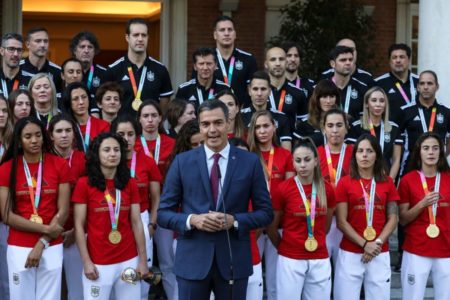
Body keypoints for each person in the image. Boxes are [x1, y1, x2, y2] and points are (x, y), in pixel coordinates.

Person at [157, 99, 273, 299]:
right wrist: (193, 220)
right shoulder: (182, 162)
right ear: (200, 126)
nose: (212, 129)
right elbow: (163, 214)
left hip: (233, 261)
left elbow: (265, 213)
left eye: (218, 123)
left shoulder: (250, 162)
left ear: (228, 123)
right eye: (205, 124)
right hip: (192, 261)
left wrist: (234, 221)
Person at [0, 117, 71, 300]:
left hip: (50, 244)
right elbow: (7, 215)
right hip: (19, 244)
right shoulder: (7, 169)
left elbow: (63, 211)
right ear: (19, 140)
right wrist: (46, 229)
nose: (34, 140)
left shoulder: (60, 164)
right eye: (28, 136)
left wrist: (42, 242)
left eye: (38, 135)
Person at [73, 132, 149, 300]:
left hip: (128, 260)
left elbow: (137, 223)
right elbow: (78, 226)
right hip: (99, 262)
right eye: (106, 150)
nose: (113, 154)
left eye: (116, 150)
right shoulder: (84, 184)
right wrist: (86, 261)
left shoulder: (129, 183)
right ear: (97, 154)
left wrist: (143, 261)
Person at [268, 137, 335, 300]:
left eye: (307, 159)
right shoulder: (283, 189)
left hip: (319, 257)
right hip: (290, 258)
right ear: (293, 163)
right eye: (298, 160)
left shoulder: (327, 189)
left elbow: (326, 226)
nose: (303, 165)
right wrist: (285, 247)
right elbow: (271, 227)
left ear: (316, 161)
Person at [334, 134, 399, 300]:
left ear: (376, 155)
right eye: (360, 151)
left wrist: (375, 245)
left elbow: (393, 218)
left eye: (369, 151)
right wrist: (364, 244)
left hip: (379, 252)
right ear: (354, 155)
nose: (364, 155)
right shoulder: (344, 182)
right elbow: (341, 222)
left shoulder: (388, 182)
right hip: (350, 253)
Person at [111, 115, 162, 300]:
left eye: (131, 134)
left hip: (142, 218)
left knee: (141, 272)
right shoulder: (107, 161)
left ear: (136, 136)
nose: (126, 138)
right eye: (121, 134)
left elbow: (156, 198)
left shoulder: (147, 162)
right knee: (117, 271)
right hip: (114, 220)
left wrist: (152, 224)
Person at [247, 110, 295, 300]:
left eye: (266, 126)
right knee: (253, 275)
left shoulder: (285, 155)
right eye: (257, 127)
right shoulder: (248, 155)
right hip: (254, 222)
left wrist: (275, 220)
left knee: (276, 279)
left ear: (274, 127)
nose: (262, 131)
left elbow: (290, 192)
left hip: (278, 222)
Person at [398, 132, 450, 300]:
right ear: (419, 152)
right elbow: (403, 219)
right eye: (426, 148)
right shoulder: (407, 180)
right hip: (416, 249)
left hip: (446, 248)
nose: (431, 152)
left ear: (441, 152)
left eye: (435, 148)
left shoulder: (448, 179)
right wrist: (422, 204)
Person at [134, 99, 177, 300]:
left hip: (166, 210)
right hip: (139, 213)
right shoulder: (132, 145)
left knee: (168, 262)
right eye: (145, 116)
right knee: (141, 260)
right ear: (139, 120)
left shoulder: (172, 144)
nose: (150, 120)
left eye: (154, 116)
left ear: (161, 118)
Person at [48, 114, 85, 300]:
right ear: (51, 135)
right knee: (51, 287)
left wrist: (76, 230)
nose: (64, 135)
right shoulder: (43, 161)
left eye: (68, 130)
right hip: (48, 231)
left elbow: (91, 199)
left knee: (76, 288)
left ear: (74, 134)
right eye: (59, 131)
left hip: (77, 232)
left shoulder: (84, 160)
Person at [104, 18, 173, 116]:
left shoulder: (160, 69)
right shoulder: (113, 70)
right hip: (123, 129)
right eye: (136, 35)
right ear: (127, 38)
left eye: (143, 35)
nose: (140, 39)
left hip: (150, 129)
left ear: (148, 37)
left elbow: (164, 103)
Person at [316, 108, 353, 265]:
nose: (335, 130)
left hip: (349, 220)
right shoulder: (315, 154)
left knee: (345, 271)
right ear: (323, 128)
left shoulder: (356, 153)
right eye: (330, 125)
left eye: (339, 125)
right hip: (322, 220)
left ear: (346, 127)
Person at [228, 137, 263, 300]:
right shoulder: (217, 186)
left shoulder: (256, 187)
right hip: (224, 261)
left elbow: (263, 218)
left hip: (252, 257)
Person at [348, 87, 403, 179]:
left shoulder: (394, 128)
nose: (378, 104)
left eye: (382, 101)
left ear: (385, 104)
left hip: (386, 177)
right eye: (374, 100)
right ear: (366, 104)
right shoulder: (356, 126)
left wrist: (390, 180)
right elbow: (352, 156)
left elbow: (396, 159)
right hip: (362, 178)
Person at [400, 70, 450, 172]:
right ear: (418, 87)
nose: (426, 87)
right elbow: (398, 145)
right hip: (411, 168)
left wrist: (441, 155)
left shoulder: (446, 112)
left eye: (430, 83)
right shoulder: (405, 112)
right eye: (422, 83)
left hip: (439, 168)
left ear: (437, 87)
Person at [211, 15, 258, 107]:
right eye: (222, 30)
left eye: (230, 29)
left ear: (235, 34)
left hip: (241, 113)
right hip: (213, 113)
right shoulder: (206, 60)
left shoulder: (248, 59)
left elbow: (254, 89)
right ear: (215, 35)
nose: (226, 33)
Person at [241, 71, 292, 150]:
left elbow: (287, 152)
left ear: (269, 91)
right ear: (249, 91)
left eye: (263, 89)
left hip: (274, 161)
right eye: (255, 89)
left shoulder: (281, 117)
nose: (259, 93)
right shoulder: (240, 117)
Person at [264, 46, 307, 129]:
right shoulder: (258, 92)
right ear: (266, 64)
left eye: (281, 59)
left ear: (286, 62)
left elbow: (304, 124)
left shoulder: (298, 93)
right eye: (273, 59)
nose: (278, 63)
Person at [375, 43, 419, 124]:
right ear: (389, 61)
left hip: (415, 132)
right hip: (391, 132)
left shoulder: (419, 82)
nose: (398, 60)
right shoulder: (378, 83)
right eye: (394, 57)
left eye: (401, 57)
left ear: (409, 60)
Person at [61, 82, 110, 153]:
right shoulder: (65, 128)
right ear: (69, 102)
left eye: (84, 97)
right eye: (75, 99)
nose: (81, 102)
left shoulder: (103, 126)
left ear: (89, 99)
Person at [294, 79, 341, 147]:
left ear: (336, 99)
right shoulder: (305, 124)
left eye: (331, 96)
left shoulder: (346, 121)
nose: (328, 101)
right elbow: (297, 151)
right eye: (324, 97)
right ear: (316, 99)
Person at [328, 45, 368, 121]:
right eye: (343, 60)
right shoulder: (322, 87)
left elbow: (364, 120)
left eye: (350, 60)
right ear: (332, 64)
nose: (348, 63)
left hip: (354, 132)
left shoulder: (362, 88)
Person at [69, 31, 106, 111]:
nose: (86, 50)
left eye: (90, 47)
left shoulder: (104, 73)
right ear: (74, 50)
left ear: (95, 51)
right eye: (82, 47)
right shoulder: (66, 72)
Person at [0, 95, 13, 299]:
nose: (1, 115)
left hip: (8, 215)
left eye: (4, 111)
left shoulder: (15, 141)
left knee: (7, 273)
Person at [0, 33, 28, 98]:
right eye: (11, 49)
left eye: (19, 50)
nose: (16, 54)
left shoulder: (31, 80)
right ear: (2, 51)